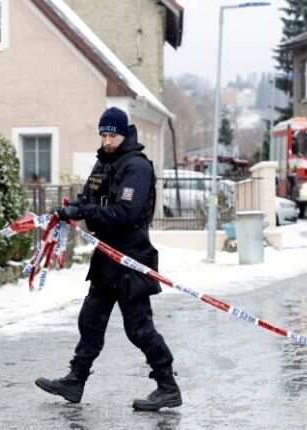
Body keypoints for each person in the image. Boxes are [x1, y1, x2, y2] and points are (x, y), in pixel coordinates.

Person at [35, 107, 181, 411]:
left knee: (139, 329)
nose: (106, 140)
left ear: (124, 134)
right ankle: (75, 381)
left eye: (112, 134)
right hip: (105, 259)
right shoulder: (103, 163)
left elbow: (125, 214)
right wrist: (71, 210)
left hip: (131, 258)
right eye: (103, 134)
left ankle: (167, 386)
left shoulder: (137, 168)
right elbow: (88, 199)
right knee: (90, 320)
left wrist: (85, 212)